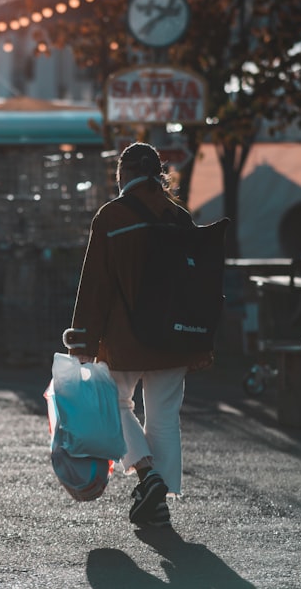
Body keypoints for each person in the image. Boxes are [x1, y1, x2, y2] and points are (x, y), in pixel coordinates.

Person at [64, 141, 213, 529]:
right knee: (164, 417)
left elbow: (95, 285)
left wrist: (82, 341)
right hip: (176, 338)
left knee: (114, 404)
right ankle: (159, 504)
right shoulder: (179, 217)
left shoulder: (111, 217)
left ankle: (149, 478)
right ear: (157, 175)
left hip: (126, 339)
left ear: (123, 175)